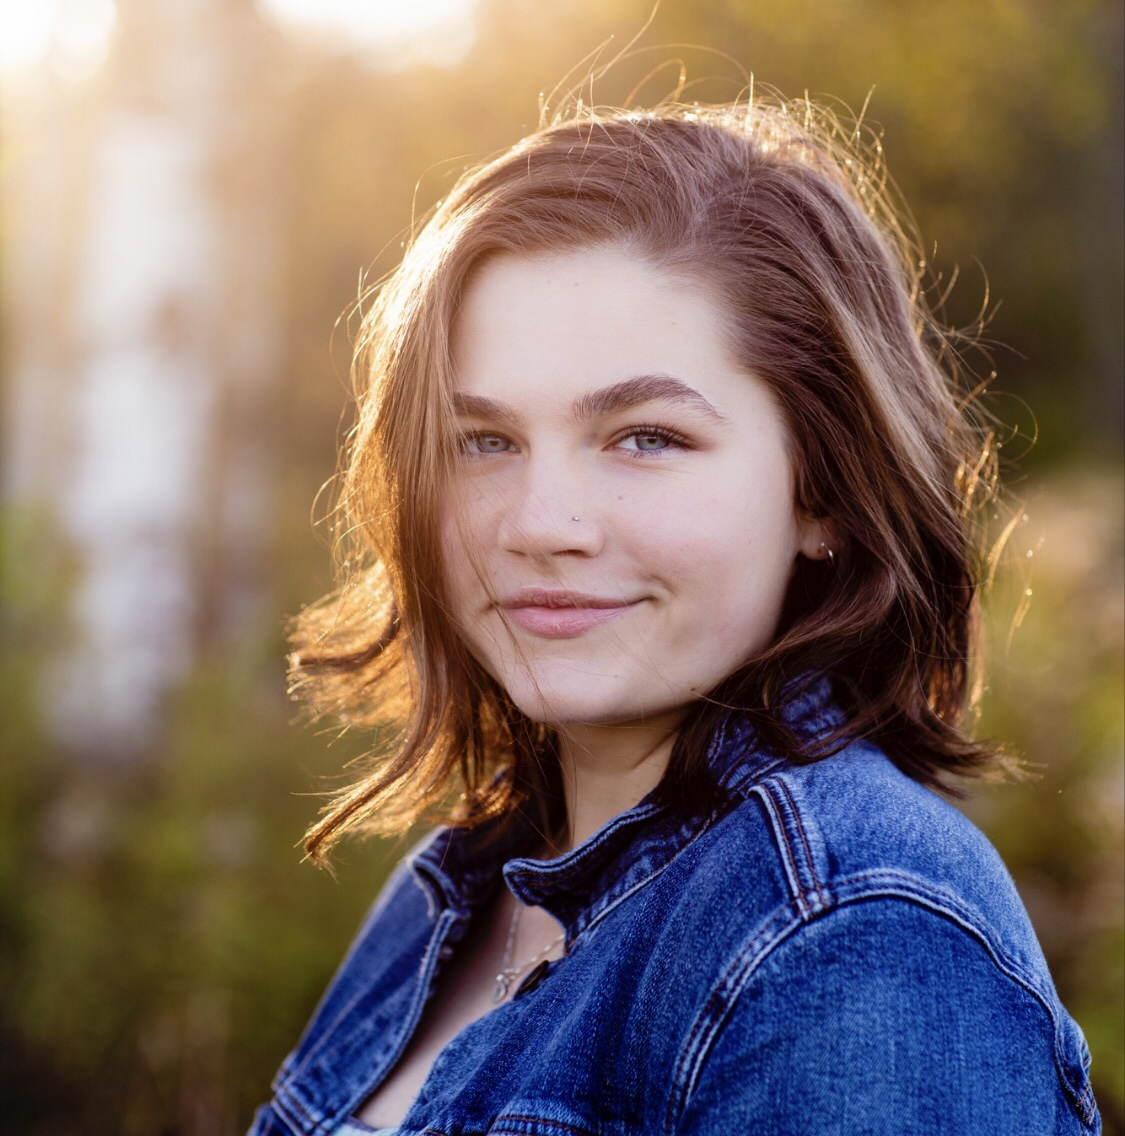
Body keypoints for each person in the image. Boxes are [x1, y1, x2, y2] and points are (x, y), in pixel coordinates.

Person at [249, 97, 1101, 1135]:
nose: (539, 523)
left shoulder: (853, 929)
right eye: (482, 440)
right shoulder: (466, 878)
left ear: (823, 489)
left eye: (645, 437)